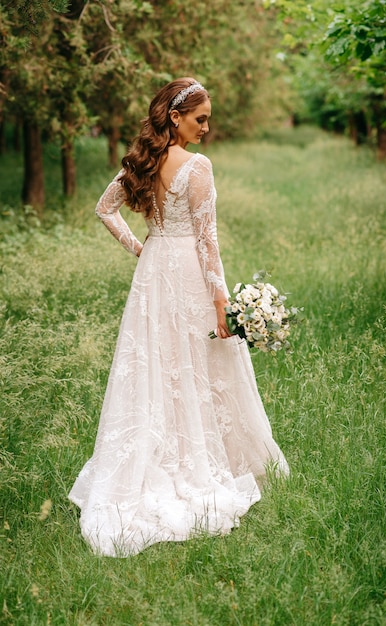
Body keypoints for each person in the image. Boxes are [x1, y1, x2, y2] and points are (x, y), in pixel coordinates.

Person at [69, 77, 289, 557]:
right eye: (200, 118)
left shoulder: (143, 163)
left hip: (153, 274)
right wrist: (220, 303)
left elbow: (105, 209)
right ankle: (200, 464)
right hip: (188, 274)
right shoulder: (197, 167)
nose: (206, 128)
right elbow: (208, 243)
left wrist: (140, 248)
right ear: (175, 116)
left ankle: (157, 457)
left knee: (157, 363)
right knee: (196, 362)